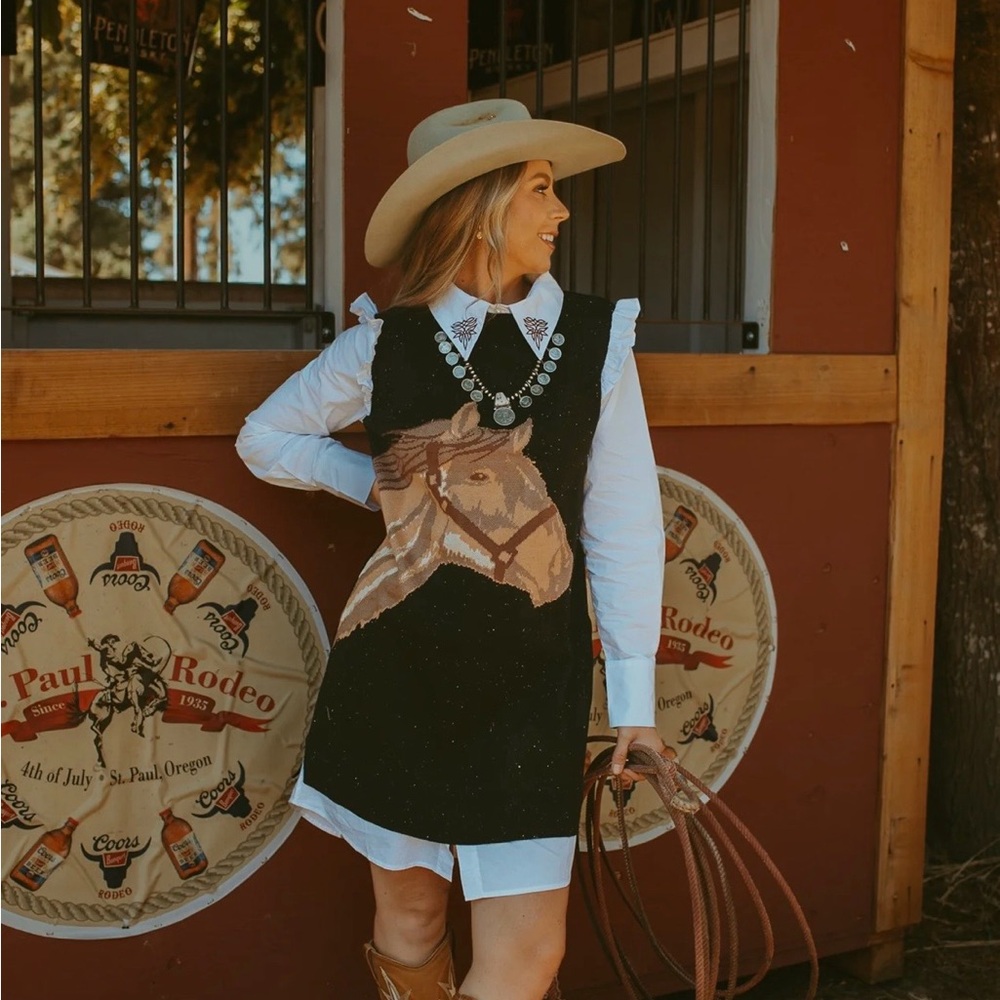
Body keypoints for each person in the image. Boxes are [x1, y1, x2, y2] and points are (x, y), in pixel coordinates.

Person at [236, 98, 672, 1000]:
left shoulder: (598, 343)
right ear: (480, 204)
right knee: (412, 923)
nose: (560, 213)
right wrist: (398, 493)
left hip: (532, 686)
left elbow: (623, 521)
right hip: (397, 675)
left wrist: (635, 699)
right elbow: (266, 438)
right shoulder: (383, 343)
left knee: (528, 956)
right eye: (541, 189)